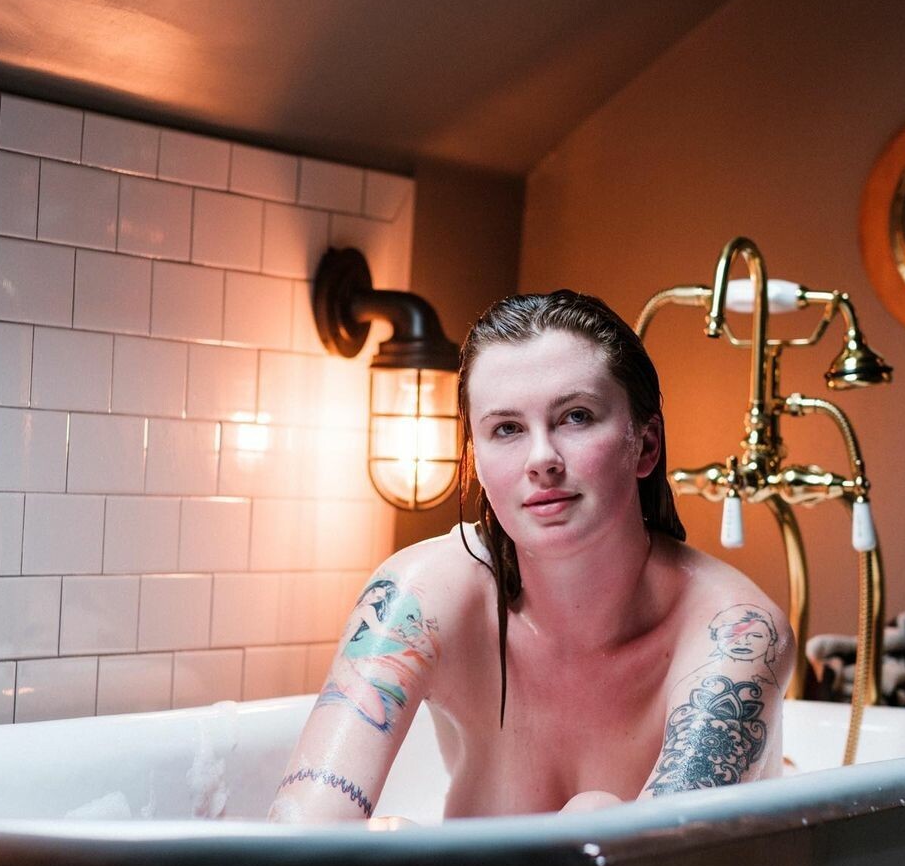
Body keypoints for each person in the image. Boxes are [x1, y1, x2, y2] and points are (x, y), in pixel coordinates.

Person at [267, 290, 793, 823]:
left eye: (576, 417)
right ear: (475, 458)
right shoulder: (420, 597)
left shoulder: (736, 633)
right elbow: (303, 831)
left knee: (594, 814)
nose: (542, 459)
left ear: (646, 444)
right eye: (507, 429)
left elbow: (658, 858)